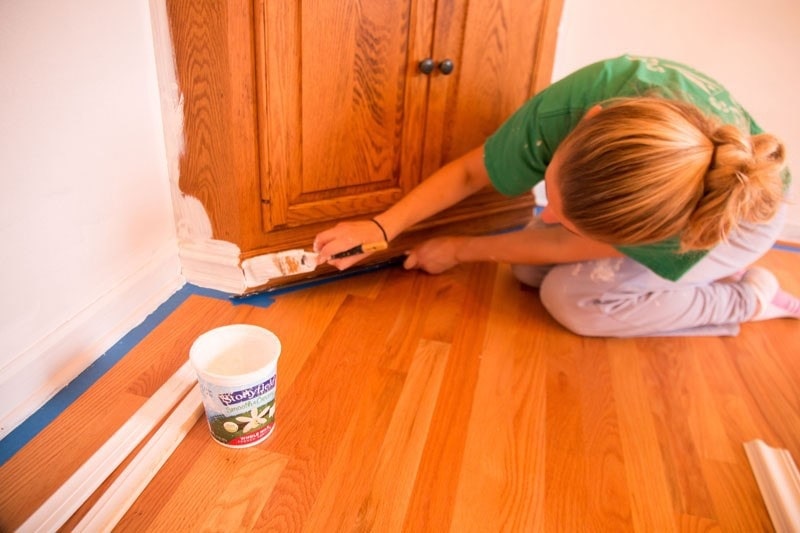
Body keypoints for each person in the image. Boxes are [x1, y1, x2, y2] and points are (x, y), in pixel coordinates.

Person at [313, 55, 798, 337]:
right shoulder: (574, 104)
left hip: (733, 220)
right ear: (587, 122)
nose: (548, 216)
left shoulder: (664, 209)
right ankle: (683, 277)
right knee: (526, 269)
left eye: (568, 220)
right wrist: (383, 226)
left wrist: (461, 249)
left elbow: (569, 247)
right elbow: (469, 174)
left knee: (572, 301)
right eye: (553, 198)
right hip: (686, 199)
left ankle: (749, 297)